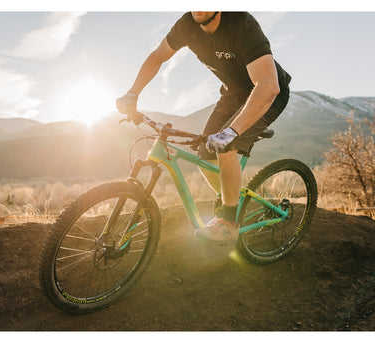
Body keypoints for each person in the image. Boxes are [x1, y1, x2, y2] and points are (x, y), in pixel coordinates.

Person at [116, 12, 291, 242]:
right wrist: (133, 92)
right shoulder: (187, 25)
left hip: (267, 94)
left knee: (226, 147)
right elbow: (158, 57)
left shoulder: (241, 24)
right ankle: (233, 202)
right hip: (233, 94)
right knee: (206, 153)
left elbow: (268, 86)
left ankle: (229, 223)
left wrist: (232, 132)